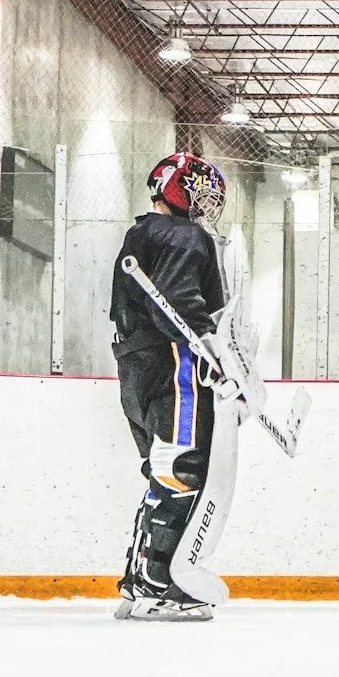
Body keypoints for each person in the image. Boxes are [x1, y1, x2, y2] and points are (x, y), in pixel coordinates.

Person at [111, 151, 231, 622]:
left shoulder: (143, 233)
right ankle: (163, 585)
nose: (205, 207)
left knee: (163, 472)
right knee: (182, 470)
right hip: (176, 363)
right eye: (198, 194)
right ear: (177, 190)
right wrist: (214, 351)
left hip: (137, 367)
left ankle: (139, 583)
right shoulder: (185, 235)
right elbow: (179, 303)